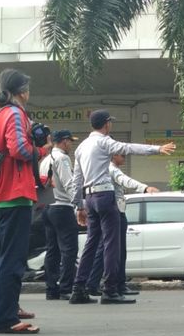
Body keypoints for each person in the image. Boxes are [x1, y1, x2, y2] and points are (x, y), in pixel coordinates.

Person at [69, 110, 175, 305]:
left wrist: (78, 206)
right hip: (104, 195)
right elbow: (127, 147)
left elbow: (76, 180)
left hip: (89, 198)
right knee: (111, 244)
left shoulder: (81, 146)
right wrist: (157, 149)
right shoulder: (103, 141)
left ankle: (78, 289)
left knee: (91, 245)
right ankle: (110, 290)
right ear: (107, 124)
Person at [0, 68, 51, 334]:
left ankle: (5, 311)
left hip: (0, 196)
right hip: (15, 195)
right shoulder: (16, 113)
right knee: (12, 259)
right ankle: (6, 319)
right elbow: (18, 148)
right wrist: (40, 150)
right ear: (22, 91)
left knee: (1, 257)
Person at [85, 153, 159, 296]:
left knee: (108, 249)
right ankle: (112, 285)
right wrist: (144, 188)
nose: (124, 157)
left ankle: (109, 284)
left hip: (111, 209)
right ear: (112, 155)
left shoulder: (102, 169)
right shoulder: (111, 169)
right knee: (114, 250)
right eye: (122, 155)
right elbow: (125, 180)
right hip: (115, 211)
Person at [43, 130, 79, 301]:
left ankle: (51, 289)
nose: (71, 145)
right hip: (63, 208)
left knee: (52, 250)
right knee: (69, 249)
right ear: (64, 142)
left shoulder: (45, 159)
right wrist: (80, 205)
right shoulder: (62, 158)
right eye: (70, 141)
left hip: (47, 208)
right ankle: (66, 288)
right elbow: (69, 183)